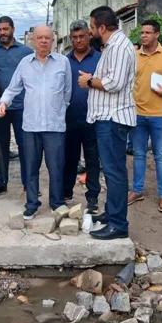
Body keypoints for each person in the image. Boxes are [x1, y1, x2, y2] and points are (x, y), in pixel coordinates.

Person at [0, 26, 72, 219]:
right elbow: (13, 88)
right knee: (31, 167)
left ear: (53, 40)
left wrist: (57, 111)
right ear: (32, 40)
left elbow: (67, 93)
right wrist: (3, 103)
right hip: (31, 126)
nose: (43, 41)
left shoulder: (63, 63)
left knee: (56, 166)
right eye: (39, 38)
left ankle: (57, 202)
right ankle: (32, 203)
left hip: (54, 126)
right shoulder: (24, 63)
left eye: (47, 38)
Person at [79, 6, 136, 240]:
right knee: (112, 171)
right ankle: (112, 214)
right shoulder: (113, 46)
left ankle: (118, 225)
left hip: (114, 119)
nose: (91, 31)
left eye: (92, 27)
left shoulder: (120, 47)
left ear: (102, 27)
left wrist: (89, 81)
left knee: (114, 172)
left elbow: (115, 83)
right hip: (106, 118)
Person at [128, 21, 162, 213]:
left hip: (160, 114)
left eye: (148, 33)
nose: (143, 36)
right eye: (142, 33)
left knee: (160, 156)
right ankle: (137, 190)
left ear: (157, 35)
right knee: (139, 155)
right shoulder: (134, 56)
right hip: (137, 113)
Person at [0, 16, 33, 197]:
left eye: (5, 29)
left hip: (22, 107)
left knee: (25, 146)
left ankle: (28, 184)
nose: (2, 33)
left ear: (12, 29)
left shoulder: (26, 52)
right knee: (0, 147)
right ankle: (1, 182)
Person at [63, 20, 102, 214]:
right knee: (69, 159)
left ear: (89, 35)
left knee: (93, 160)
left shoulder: (101, 59)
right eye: (75, 37)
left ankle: (93, 197)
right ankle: (66, 193)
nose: (78, 40)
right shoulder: (64, 61)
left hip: (93, 119)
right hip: (69, 119)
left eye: (82, 36)